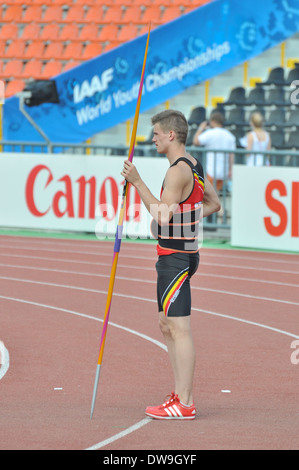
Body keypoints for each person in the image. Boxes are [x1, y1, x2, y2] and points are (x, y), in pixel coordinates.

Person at [121, 109, 220, 420]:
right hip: (177, 254)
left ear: (171, 135)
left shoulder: (178, 171)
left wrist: (136, 182)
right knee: (166, 324)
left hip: (176, 257)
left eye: (157, 134)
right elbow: (212, 204)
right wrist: (186, 218)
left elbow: (161, 215)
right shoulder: (195, 165)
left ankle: (186, 403)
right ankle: (179, 394)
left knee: (178, 327)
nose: (153, 139)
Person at [192, 110, 235, 192]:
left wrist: (201, 128)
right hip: (224, 170)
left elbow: (196, 141)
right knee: (217, 196)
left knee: (209, 197)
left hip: (211, 170)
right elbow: (231, 155)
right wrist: (230, 169)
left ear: (212, 121)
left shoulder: (210, 133)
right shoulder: (230, 136)